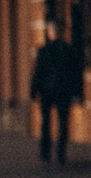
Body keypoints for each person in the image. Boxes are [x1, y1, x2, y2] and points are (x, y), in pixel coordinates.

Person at [29, 15, 79, 165]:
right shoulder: (68, 50)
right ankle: (61, 152)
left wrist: (34, 91)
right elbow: (75, 71)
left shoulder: (44, 51)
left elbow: (38, 72)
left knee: (46, 122)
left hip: (47, 91)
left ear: (49, 33)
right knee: (63, 122)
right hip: (64, 91)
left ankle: (45, 151)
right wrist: (76, 91)